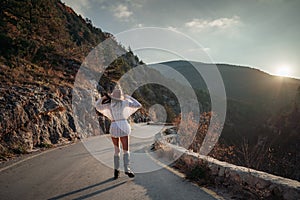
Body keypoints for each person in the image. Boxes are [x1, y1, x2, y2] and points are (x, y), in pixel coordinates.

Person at [95, 84, 142, 179]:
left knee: (117, 150)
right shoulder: (124, 103)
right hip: (123, 125)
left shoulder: (109, 105)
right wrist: (128, 97)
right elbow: (138, 105)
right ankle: (127, 169)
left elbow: (97, 106)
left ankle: (116, 171)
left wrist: (103, 98)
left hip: (114, 125)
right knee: (126, 149)